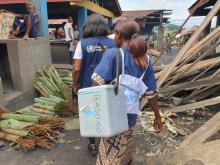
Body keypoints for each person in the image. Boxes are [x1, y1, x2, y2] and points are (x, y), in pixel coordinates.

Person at [91, 20, 163, 164]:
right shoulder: (145, 60)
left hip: (112, 120)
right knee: (124, 151)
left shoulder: (113, 54)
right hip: (130, 117)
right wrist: (157, 116)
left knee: (109, 158)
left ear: (118, 35)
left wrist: (93, 114)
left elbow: (96, 83)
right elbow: (151, 94)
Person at [73, 14, 115, 156]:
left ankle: (92, 144)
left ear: (88, 26)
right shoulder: (113, 43)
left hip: (87, 86)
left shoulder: (82, 43)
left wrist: (75, 84)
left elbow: (77, 68)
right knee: (106, 112)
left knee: (90, 114)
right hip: (108, 86)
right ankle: (107, 141)